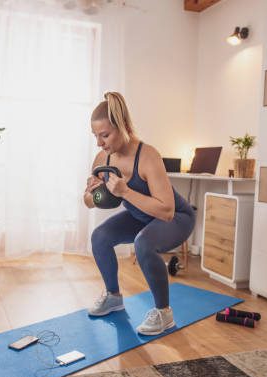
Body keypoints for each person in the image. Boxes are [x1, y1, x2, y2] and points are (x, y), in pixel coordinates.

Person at [84, 92, 196, 335]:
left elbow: (166, 211)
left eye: (104, 135)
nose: (99, 143)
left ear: (123, 127)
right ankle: (113, 297)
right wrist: (94, 193)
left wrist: (124, 191)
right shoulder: (103, 157)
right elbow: (89, 201)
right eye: (95, 136)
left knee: (143, 242)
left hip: (178, 218)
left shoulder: (148, 156)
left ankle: (164, 313)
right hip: (140, 216)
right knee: (100, 236)